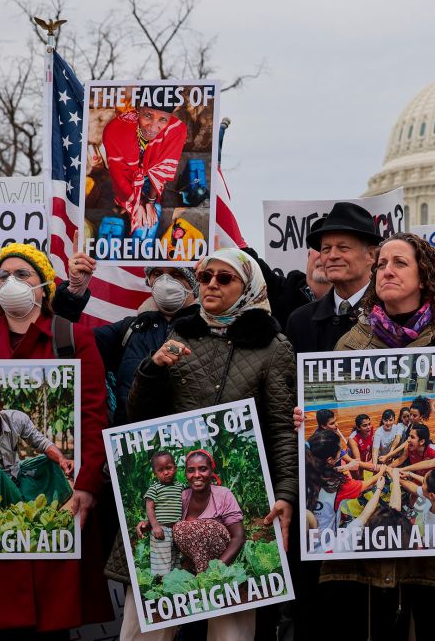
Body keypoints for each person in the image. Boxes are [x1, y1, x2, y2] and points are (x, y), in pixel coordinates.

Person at [315, 232, 435, 640]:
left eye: (399, 263)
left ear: (425, 276)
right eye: (381, 264)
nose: (387, 271)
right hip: (373, 537)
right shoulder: (351, 344)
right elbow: (332, 419)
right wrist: (309, 419)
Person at [106, 248, 296, 641]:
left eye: (224, 279)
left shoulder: (273, 346)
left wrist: (286, 495)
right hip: (173, 494)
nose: (210, 284)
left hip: (236, 500)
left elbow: (281, 429)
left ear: (249, 288)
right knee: (145, 623)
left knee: (230, 628)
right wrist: (152, 368)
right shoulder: (180, 334)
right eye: (205, 276)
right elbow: (138, 416)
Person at [0, 243, 111, 637]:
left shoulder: (74, 339)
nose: (11, 283)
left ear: (43, 286)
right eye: (3, 276)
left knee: (49, 627)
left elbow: (91, 419)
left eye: (22, 275)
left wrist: (85, 484)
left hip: (46, 524)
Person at [56, 257, 200, 425]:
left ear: (195, 282)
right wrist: (73, 294)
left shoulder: (213, 330)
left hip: (191, 444)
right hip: (129, 445)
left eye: (176, 274)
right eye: (158, 274)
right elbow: (65, 343)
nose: (166, 281)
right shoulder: (131, 329)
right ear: (149, 280)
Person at [0, 382, 74, 511]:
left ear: (0, 406)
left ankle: (30, 505)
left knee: (50, 459)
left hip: (16, 475)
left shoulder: (16, 419)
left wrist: (62, 460)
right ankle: (5, 509)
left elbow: (42, 443)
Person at [286, 202, 381, 355]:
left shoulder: (391, 316)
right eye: (326, 249)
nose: (332, 256)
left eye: (343, 248)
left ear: (371, 255)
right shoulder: (300, 321)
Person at [100, 95, 188, 232]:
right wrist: (137, 205)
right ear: (138, 109)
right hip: (126, 172)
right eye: (148, 115)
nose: (153, 127)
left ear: (169, 118)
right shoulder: (116, 130)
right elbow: (118, 175)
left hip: (145, 173)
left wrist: (151, 203)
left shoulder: (175, 130)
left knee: (153, 207)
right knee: (131, 209)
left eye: (163, 119)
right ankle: (128, 210)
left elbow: (160, 171)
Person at [144, 451, 184, 578]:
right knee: (161, 559)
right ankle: (161, 583)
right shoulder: (154, 488)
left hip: (176, 529)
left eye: (169, 468)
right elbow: (149, 508)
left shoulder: (180, 487)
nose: (166, 472)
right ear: (155, 473)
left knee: (175, 557)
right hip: (161, 529)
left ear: (175, 468)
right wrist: (155, 526)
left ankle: (173, 581)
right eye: (160, 470)